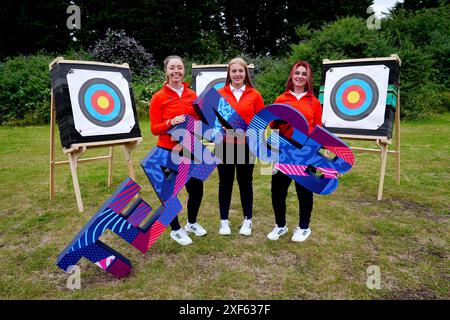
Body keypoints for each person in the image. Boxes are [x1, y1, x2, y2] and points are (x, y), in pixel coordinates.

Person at [149, 55, 207, 246]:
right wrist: (170, 123)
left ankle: (191, 223)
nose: (176, 71)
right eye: (172, 68)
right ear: (166, 71)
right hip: (167, 150)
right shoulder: (158, 97)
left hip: (190, 148)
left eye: (179, 68)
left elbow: (199, 122)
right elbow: (154, 128)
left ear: (184, 70)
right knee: (169, 192)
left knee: (196, 189)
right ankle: (175, 229)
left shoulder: (192, 95)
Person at [267, 61, 322, 242]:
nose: (299, 76)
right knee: (278, 190)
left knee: (304, 190)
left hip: (306, 150)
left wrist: (313, 154)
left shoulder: (314, 102)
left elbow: (318, 130)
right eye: (297, 72)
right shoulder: (281, 99)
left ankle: (304, 227)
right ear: (292, 75)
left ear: (308, 78)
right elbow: (273, 128)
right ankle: (280, 225)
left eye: (303, 74)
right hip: (284, 149)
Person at [216, 57, 265, 236]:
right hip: (225, 145)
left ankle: (248, 220)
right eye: (234, 71)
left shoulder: (255, 95)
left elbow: (262, 122)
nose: (237, 74)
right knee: (225, 183)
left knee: (245, 183)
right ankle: (224, 221)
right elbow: (212, 122)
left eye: (240, 71)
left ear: (246, 73)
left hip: (247, 146)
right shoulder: (220, 93)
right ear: (229, 73)